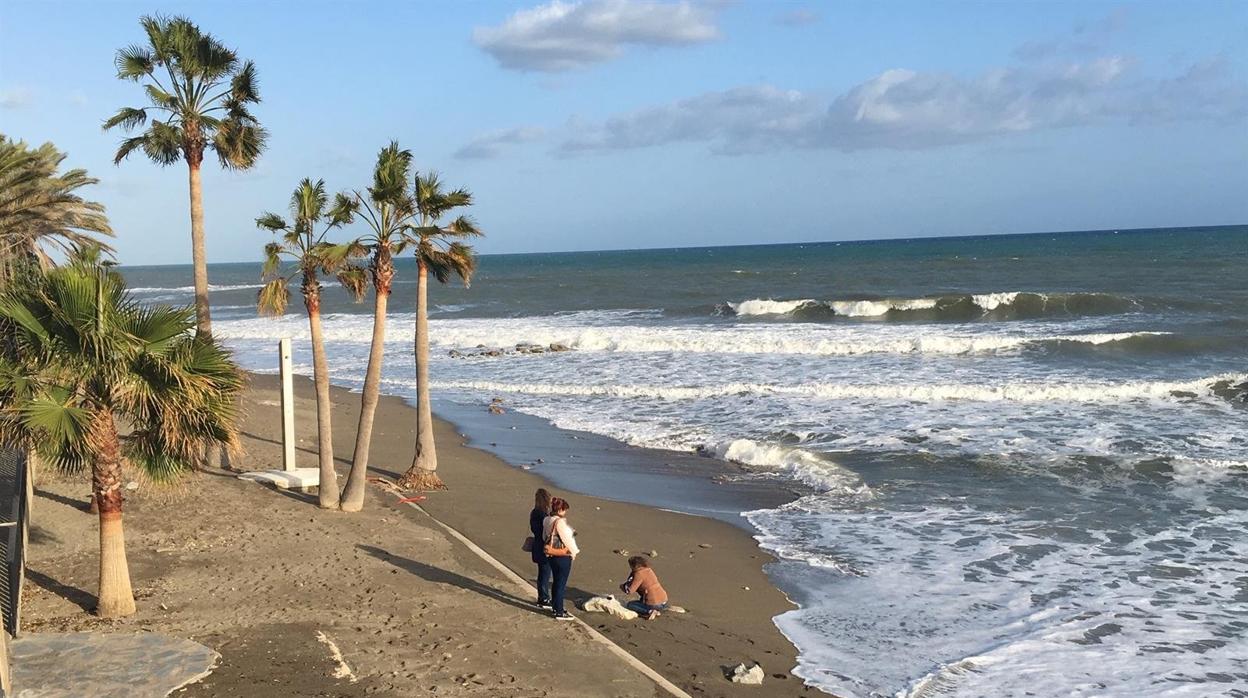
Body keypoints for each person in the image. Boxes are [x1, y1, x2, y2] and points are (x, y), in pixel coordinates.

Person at [543, 497, 579, 620]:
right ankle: (559, 611)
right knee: (560, 583)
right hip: (562, 555)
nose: (565, 513)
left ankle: (555, 606)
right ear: (561, 510)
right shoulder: (560, 522)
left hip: (551, 554)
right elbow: (567, 540)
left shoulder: (546, 519)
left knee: (556, 582)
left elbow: (545, 536)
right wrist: (574, 552)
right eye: (564, 510)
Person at [620, 556, 668, 620]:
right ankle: (659, 608)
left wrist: (622, 587)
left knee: (630, 604)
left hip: (654, 603)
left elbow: (630, 591)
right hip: (664, 600)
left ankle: (650, 611)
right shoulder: (648, 569)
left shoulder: (639, 574)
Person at [530, 488, 553, 608]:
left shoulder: (534, 512)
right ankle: (543, 598)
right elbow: (547, 530)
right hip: (544, 545)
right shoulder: (543, 515)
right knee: (545, 573)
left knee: (542, 573)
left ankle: (542, 596)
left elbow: (534, 529)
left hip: (537, 544)